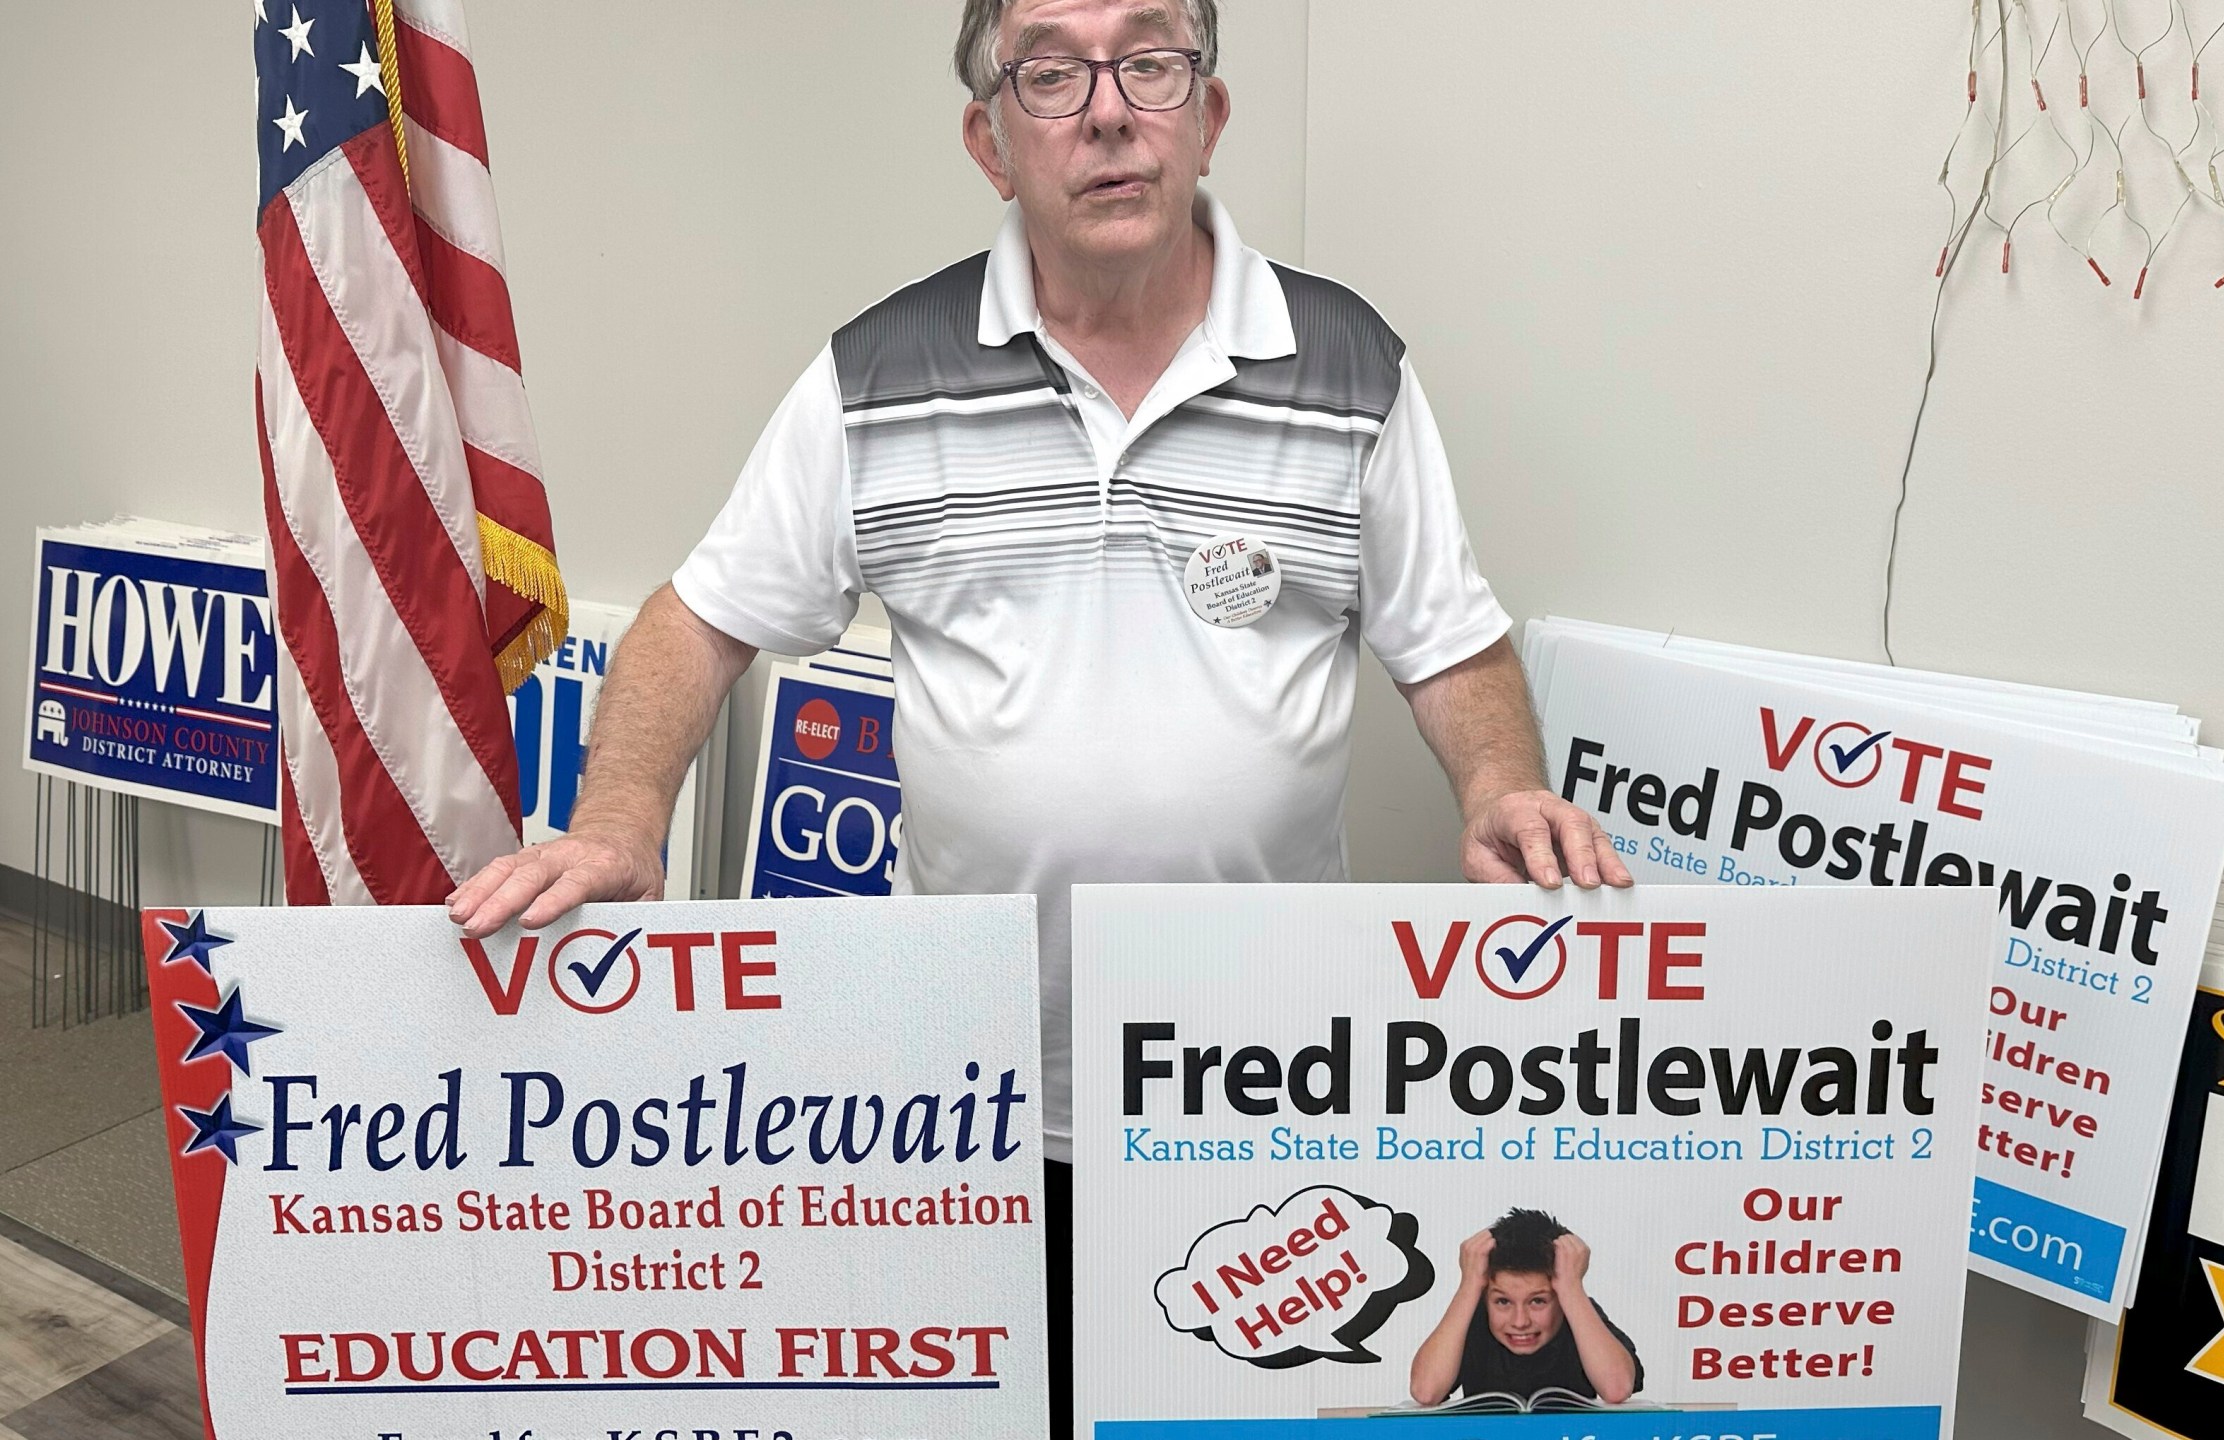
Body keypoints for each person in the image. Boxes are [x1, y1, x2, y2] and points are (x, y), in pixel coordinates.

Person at [445, 0, 1632, 1429]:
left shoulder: (1348, 367)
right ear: (989, 139)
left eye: (1151, 59)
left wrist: (1500, 782)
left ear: (1210, 111)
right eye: (1051, 73)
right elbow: (701, 620)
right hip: (969, 1090)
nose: (1111, 109)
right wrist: (622, 819)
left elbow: (1454, 644)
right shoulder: (876, 376)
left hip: (1260, 1097)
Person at [1409, 1209, 1643, 1408]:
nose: (1520, 1322)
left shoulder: (1579, 1312)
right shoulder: (1473, 1315)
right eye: (1503, 1301)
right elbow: (1426, 1392)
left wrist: (1572, 1287)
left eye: (1538, 1301)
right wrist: (1470, 1283)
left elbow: (1616, 1389)